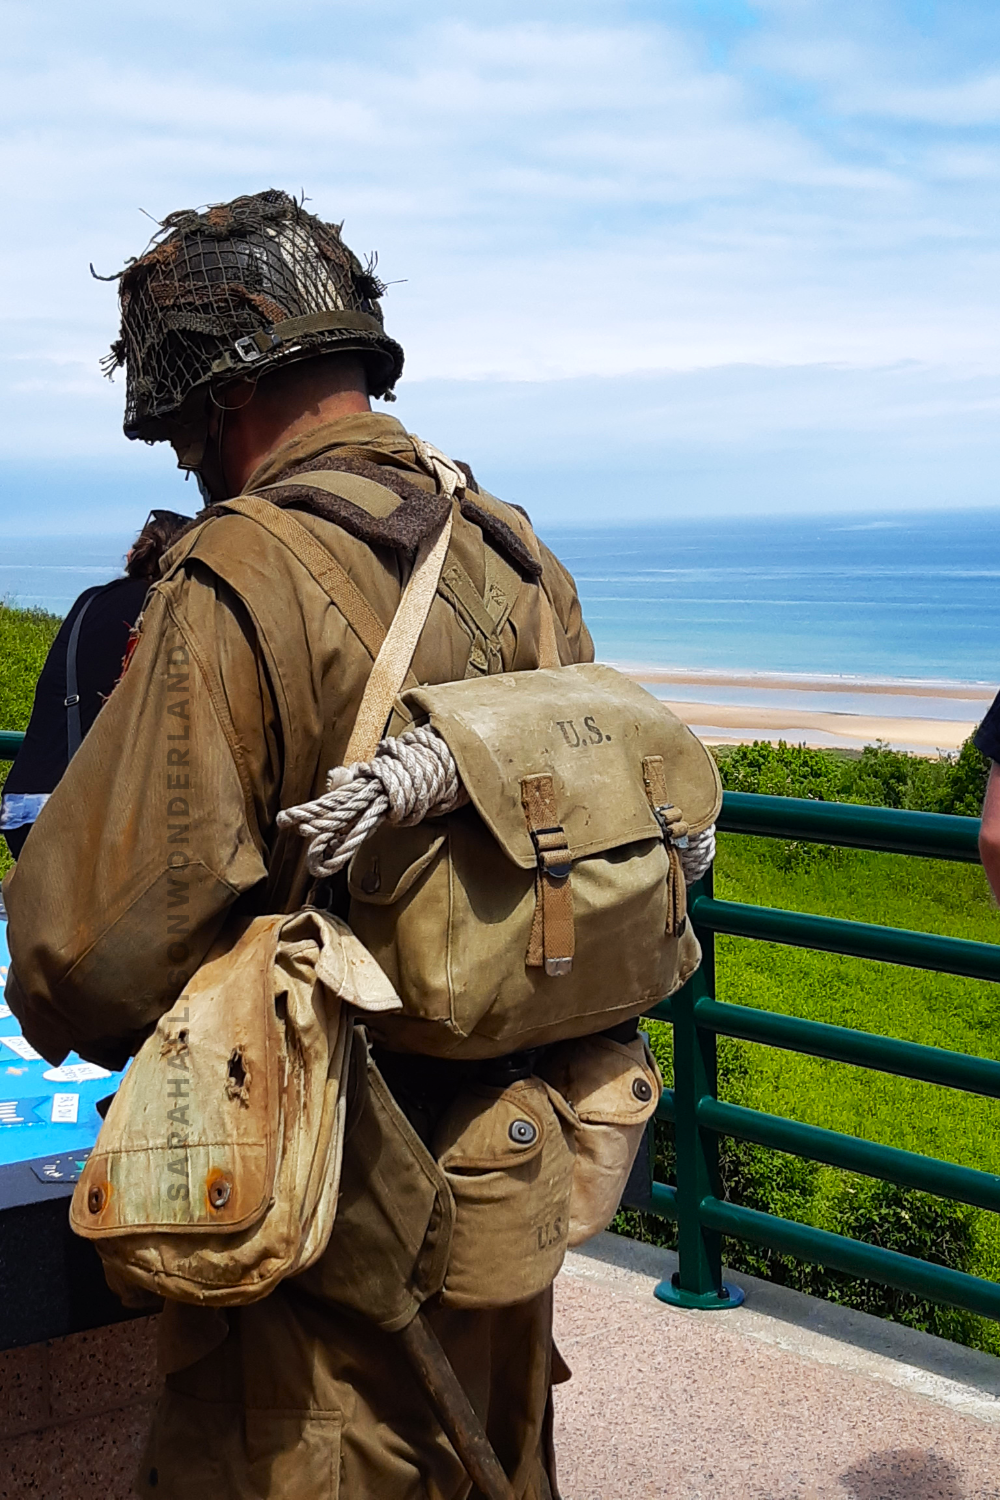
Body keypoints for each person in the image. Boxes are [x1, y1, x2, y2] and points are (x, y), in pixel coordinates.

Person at [2, 190, 593, 1499]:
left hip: (317, 1234)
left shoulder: (236, 573)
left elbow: (81, 963)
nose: (182, 464)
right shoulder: (513, 553)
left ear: (215, 400)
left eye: (180, 432)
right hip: (506, 1196)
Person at [1, 510, 190, 858]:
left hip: (26, 799)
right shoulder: (167, 609)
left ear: (134, 556)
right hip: (81, 809)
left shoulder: (90, 600)